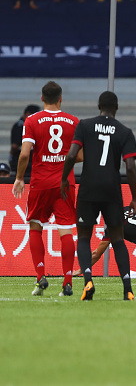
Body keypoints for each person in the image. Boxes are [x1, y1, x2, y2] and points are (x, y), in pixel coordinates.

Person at [61, 91, 136, 301]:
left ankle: (87, 280)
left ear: (98, 106)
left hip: (88, 188)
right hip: (111, 189)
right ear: (117, 107)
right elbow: (130, 166)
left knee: (84, 237)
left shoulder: (84, 125)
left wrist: (63, 180)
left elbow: (71, 155)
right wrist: (134, 197)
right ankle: (128, 289)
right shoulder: (124, 131)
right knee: (118, 239)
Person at [12, 82, 79, 298]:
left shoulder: (31, 120)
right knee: (66, 230)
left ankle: (41, 277)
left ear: (42, 98)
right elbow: (80, 155)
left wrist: (20, 178)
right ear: (61, 99)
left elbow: (24, 155)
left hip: (40, 183)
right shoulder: (73, 122)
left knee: (35, 227)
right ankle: (67, 282)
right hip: (64, 183)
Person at [10, 104, 40, 174]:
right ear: (28, 114)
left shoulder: (21, 125)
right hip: (24, 159)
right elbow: (15, 146)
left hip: (26, 160)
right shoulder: (19, 126)